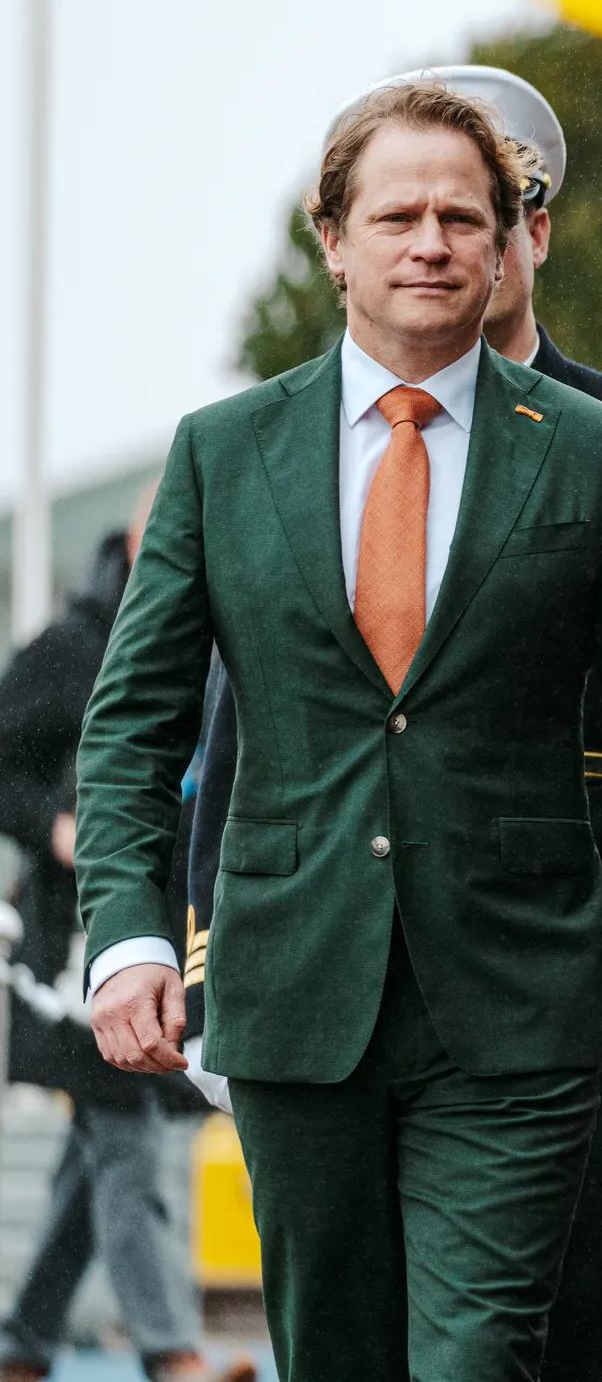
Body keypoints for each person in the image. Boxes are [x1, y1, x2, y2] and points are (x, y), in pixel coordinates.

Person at [176, 65, 602, 1380]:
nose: (450, 241)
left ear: (529, 227)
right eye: (409, 214)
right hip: (357, 950)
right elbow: (256, 721)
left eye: (487, 210)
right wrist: (207, 962)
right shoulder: (298, 443)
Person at [0, 519, 251, 1382]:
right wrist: (56, 827)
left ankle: (23, 1344)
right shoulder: (70, 650)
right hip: (74, 950)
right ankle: (171, 1349)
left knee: (104, 1143)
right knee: (125, 1126)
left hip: (174, 935)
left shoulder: (225, 643)